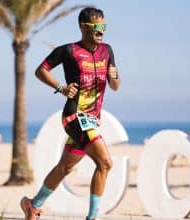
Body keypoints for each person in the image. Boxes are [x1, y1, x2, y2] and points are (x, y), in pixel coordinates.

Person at [20, 7, 120, 220]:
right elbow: (41, 70)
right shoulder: (68, 51)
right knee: (105, 163)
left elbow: (115, 86)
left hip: (92, 119)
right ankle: (92, 217)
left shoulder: (107, 50)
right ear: (83, 27)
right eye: (96, 27)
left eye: (104, 26)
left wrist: (114, 76)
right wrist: (61, 87)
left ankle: (33, 204)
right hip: (74, 115)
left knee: (64, 168)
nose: (101, 31)